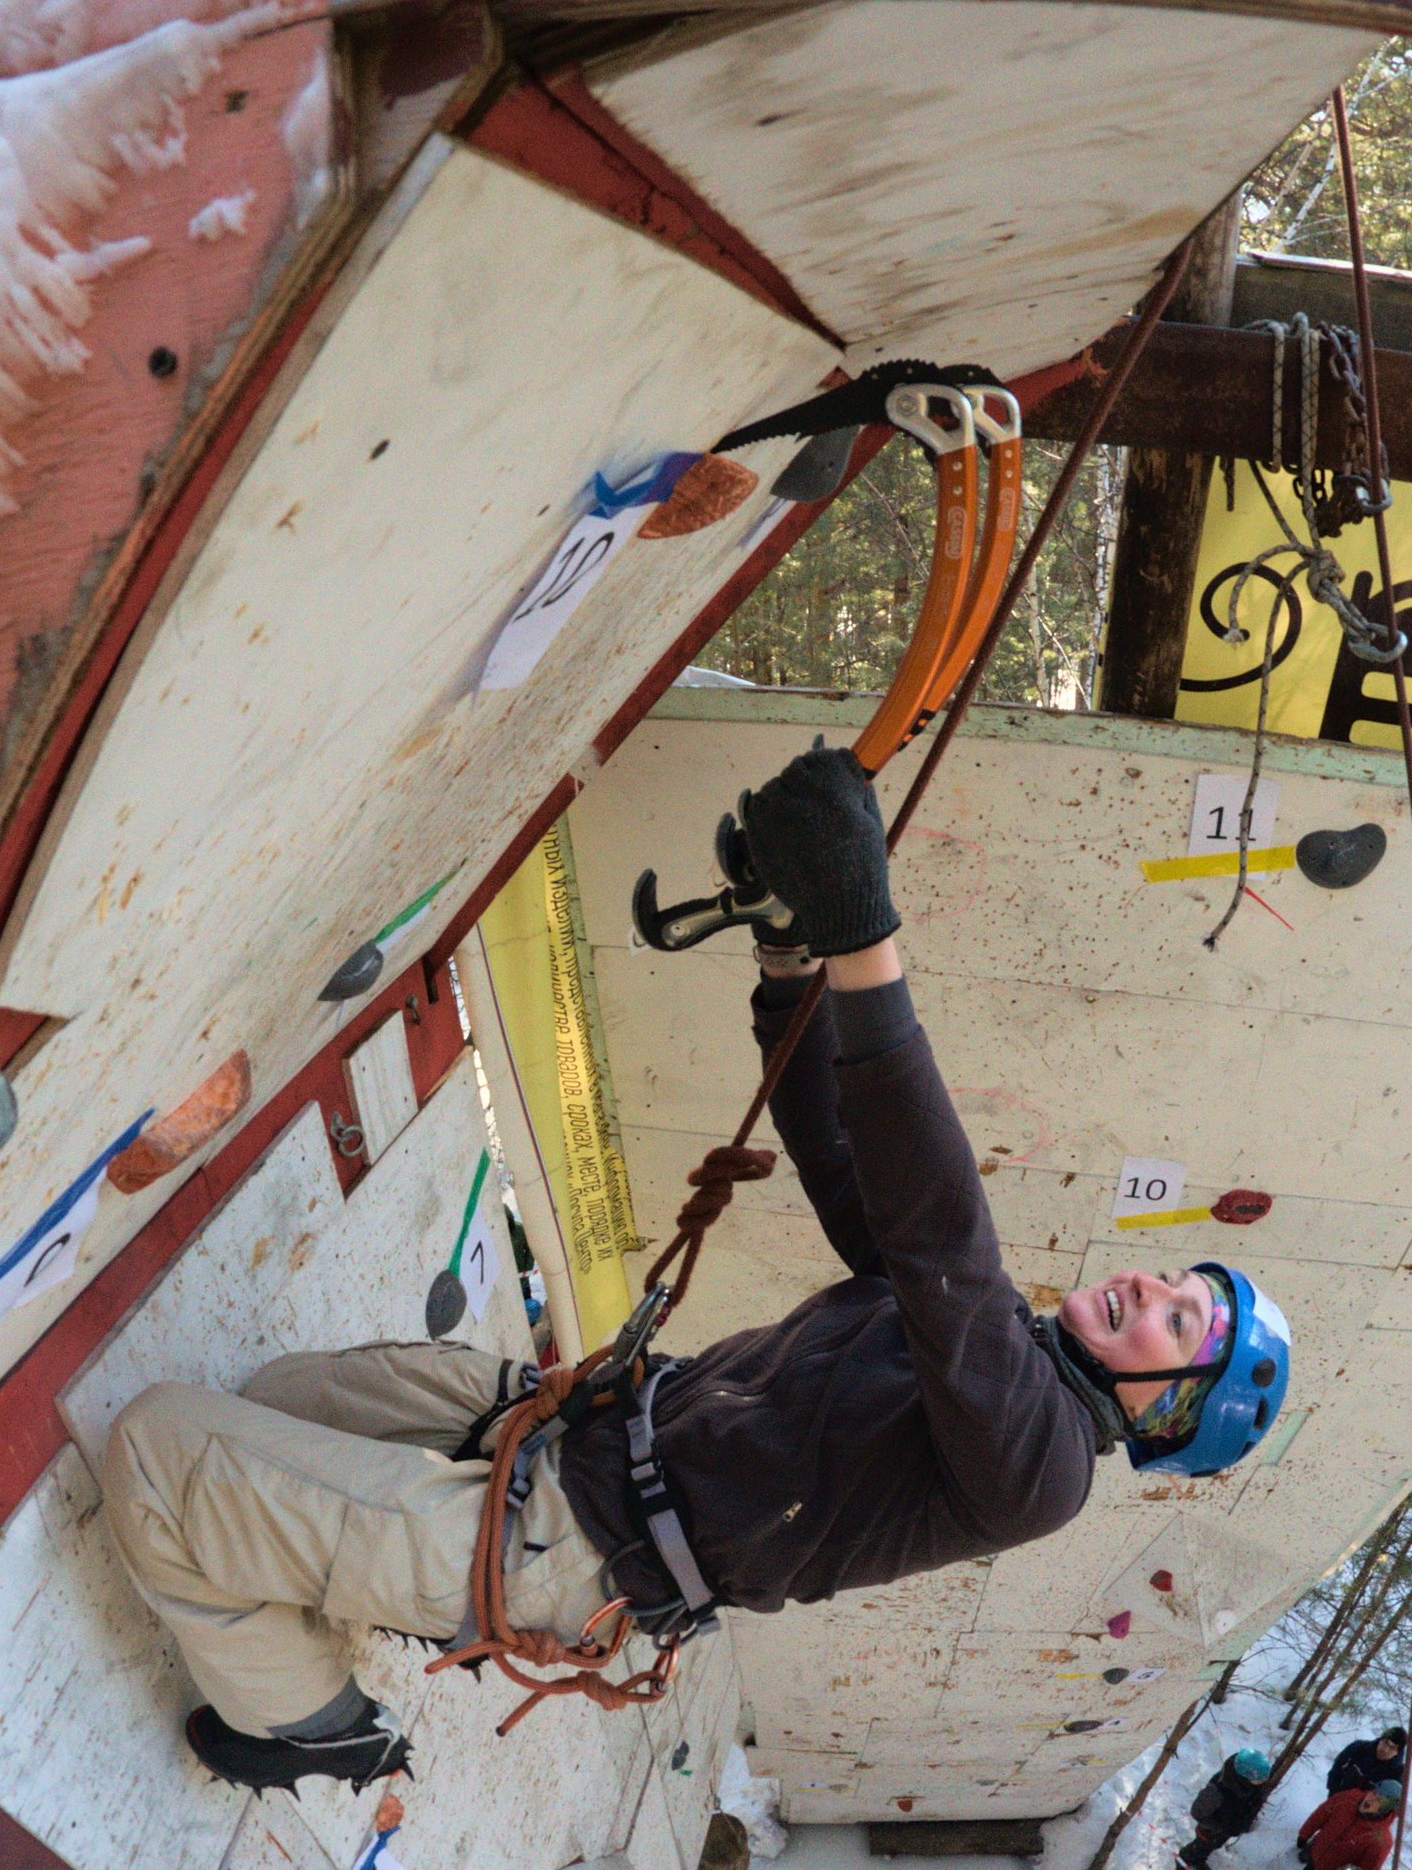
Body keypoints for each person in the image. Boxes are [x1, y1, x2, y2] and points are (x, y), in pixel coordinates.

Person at [102, 746, 1295, 1792]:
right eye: (1176, 1281)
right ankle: (337, 1561)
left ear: (1161, 1412)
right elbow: (841, 1145)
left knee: (159, 1449)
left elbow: (947, 1247)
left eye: (1179, 1325)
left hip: (569, 1550)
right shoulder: (968, 1348)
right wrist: (790, 960)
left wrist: (868, 945)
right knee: (270, 1408)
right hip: (570, 1425)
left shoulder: (1036, 1471)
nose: (1152, 1291)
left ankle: (315, 1727)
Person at [1178, 1747, 1274, 1869]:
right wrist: (1218, 1827)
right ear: (1245, 1776)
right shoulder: (1218, 1789)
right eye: (1259, 1780)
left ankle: (1199, 1859)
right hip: (1211, 1830)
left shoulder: (1252, 1786)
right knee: (1201, 1846)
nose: (1263, 1781)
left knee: (1212, 1846)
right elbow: (1197, 1812)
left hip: (1226, 1829)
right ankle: (1185, 1858)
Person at [1296, 1778, 1400, 1870]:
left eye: (1378, 1800)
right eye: (1373, 1793)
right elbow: (1322, 1814)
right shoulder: (1349, 1798)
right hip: (1315, 1858)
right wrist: (1305, 1834)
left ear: (1384, 1810)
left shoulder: (1380, 1841)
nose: (1370, 1799)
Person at [1325, 1725, 1407, 1796]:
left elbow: (1387, 1804)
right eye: (1385, 1742)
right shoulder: (1358, 1748)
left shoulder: (1395, 1776)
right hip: (1336, 1800)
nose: (1386, 1749)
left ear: (1398, 1753)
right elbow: (1337, 1769)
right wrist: (1334, 1794)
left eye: (1392, 1748)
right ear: (1380, 1739)